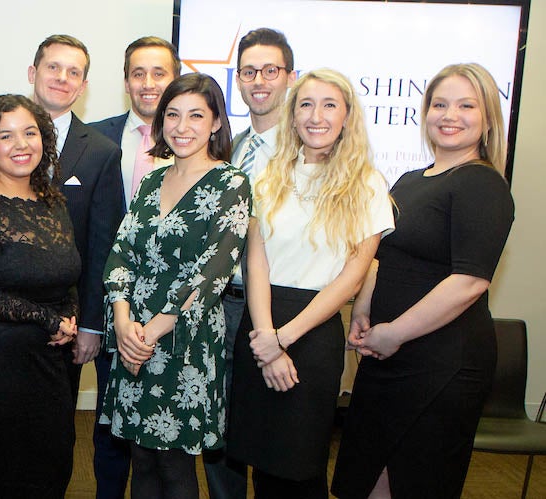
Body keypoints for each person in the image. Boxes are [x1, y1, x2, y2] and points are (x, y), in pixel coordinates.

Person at [332, 63, 516, 499]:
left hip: (441, 364)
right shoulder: (411, 180)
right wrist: (362, 310)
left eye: (466, 105)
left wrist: (394, 333)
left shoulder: (482, 184)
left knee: (415, 481)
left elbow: (470, 281)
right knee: (369, 478)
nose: (449, 115)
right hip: (388, 358)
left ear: (488, 117)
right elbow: (383, 257)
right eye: (440, 104)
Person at [225, 68, 394, 498]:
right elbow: (256, 261)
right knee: (261, 464)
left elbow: (352, 277)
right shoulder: (269, 177)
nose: (316, 116)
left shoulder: (368, 185)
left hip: (312, 332)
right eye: (305, 104)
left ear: (346, 117)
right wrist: (265, 335)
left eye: (329, 104)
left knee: (300, 468)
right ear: (292, 115)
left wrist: (283, 339)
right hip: (260, 323)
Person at [100, 72, 250, 499]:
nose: (182, 127)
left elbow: (215, 269)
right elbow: (122, 252)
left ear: (217, 123)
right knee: (141, 457)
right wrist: (125, 321)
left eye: (196, 116)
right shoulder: (151, 180)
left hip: (185, 337)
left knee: (173, 461)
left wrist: (154, 329)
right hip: (134, 334)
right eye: (173, 115)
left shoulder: (231, 184)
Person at [0, 94, 80, 498]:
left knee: (50, 468)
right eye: (7, 136)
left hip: (48, 367)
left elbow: (66, 272)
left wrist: (70, 314)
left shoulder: (52, 201)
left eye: (30, 132)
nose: (22, 144)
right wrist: (46, 319)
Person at [88, 35, 181, 499]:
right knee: (110, 425)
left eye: (159, 72)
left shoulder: (195, 145)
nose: (149, 84)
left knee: (164, 440)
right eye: (139, 73)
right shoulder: (95, 138)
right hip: (113, 304)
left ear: (175, 77)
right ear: (125, 80)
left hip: (177, 311)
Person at [208, 27, 298, 499]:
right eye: (248, 72)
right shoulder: (230, 148)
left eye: (270, 70)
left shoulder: (312, 152)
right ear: (237, 80)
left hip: (279, 309)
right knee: (218, 431)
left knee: (271, 437)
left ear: (290, 77)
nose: (258, 80)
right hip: (222, 307)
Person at [28, 34, 125, 410]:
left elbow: (103, 245)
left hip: (65, 322)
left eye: (73, 72)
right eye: (53, 67)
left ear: (83, 86)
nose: (61, 78)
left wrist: (91, 324)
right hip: (0, 318)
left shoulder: (101, 151)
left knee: (54, 430)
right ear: (33, 72)